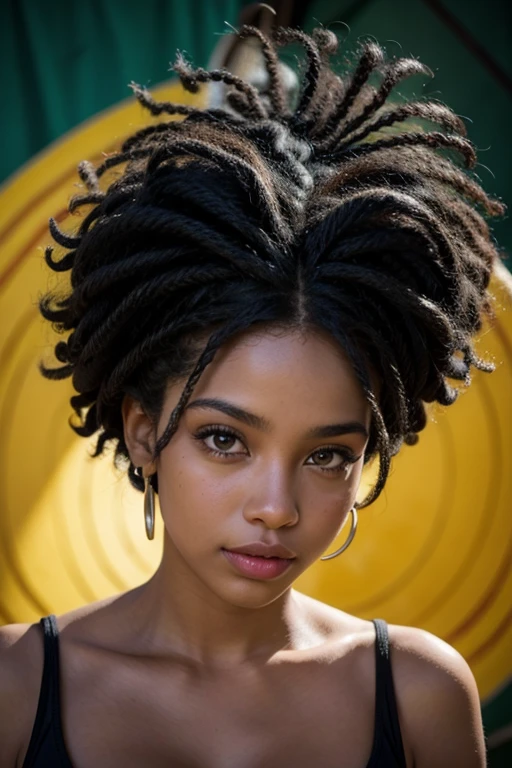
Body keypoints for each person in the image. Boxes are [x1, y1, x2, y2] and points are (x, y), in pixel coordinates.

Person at [0, 24, 503, 768]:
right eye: (225, 439)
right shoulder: (14, 689)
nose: (277, 507)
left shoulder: (421, 698)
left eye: (328, 455)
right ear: (144, 433)